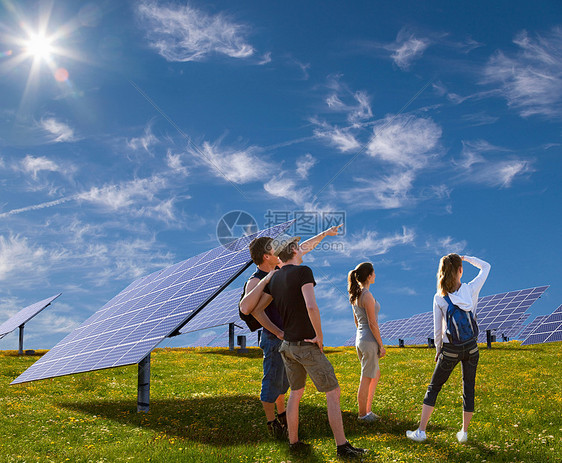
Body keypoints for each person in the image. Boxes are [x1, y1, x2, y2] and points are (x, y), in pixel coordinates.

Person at [244, 234, 368, 459]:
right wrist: (319, 335)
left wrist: (280, 332)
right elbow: (311, 306)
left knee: (296, 393)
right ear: (293, 251)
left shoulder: (275, 278)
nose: (302, 249)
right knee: (333, 392)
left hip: (288, 346)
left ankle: (294, 442)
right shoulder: (304, 272)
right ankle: (342, 446)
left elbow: (255, 309)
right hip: (306, 344)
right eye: (298, 247)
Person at [240, 225, 343, 439]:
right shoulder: (256, 279)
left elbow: (303, 248)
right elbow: (247, 308)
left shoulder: (283, 267)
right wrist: (277, 331)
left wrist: (324, 234)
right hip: (274, 336)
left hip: (289, 337)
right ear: (267, 256)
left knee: (287, 384)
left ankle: (285, 419)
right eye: (273, 248)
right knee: (273, 381)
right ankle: (273, 424)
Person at [406, 254, 491, 443]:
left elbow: (438, 329)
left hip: (450, 349)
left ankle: (421, 431)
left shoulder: (439, 297)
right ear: (460, 270)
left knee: (434, 388)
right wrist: (466, 257)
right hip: (471, 347)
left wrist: (438, 350)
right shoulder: (471, 289)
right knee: (468, 388)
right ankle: (464, 433)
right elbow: (486, 267)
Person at [348, 262, 386, 423]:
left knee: (373, 374)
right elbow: (372, 323)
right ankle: (363, 414)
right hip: (369, 339)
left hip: (361, 337)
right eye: (374, 273)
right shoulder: (367, 295)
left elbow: (357, 322)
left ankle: (368, 411)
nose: (375, 275)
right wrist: (381, 345)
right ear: (369, 276)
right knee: (366, 377)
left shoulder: (356, 295)